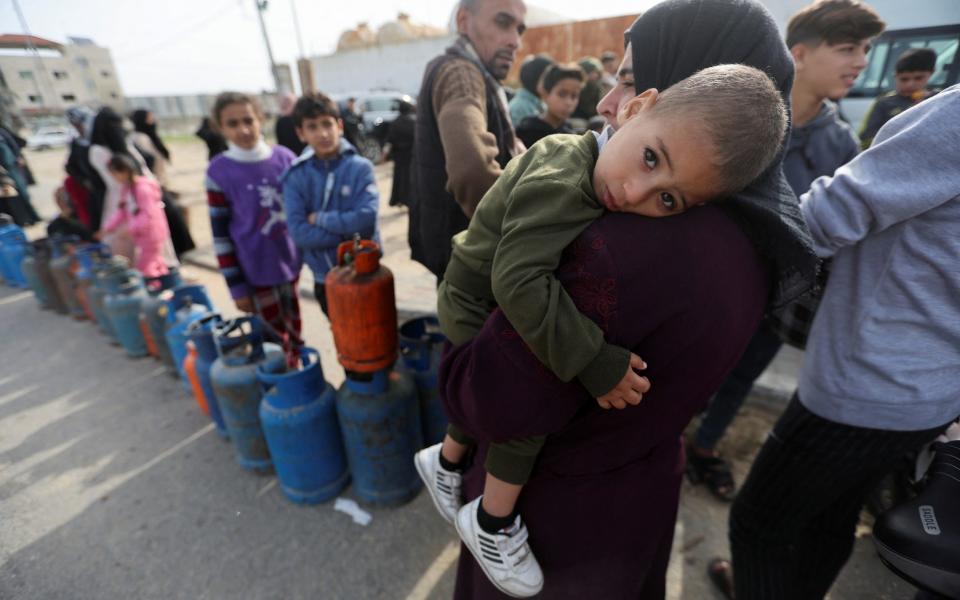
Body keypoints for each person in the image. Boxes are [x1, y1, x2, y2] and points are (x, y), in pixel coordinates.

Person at [437, 1, 817, 596]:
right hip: (638, 502)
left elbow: (494, 399)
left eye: (632, 80)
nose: (606, 104)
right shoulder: (748, 226)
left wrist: (457, 363)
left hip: (556, 528)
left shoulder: (617, 247)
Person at [712, 85, 960, 600]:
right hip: (930, 390)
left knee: (758, 525)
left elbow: (837, 208)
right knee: (832, 517)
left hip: (865, 385)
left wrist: (724, 262)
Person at [687, 0, 884, 502]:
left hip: (780, 297)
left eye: (865, 49)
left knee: (741, 377)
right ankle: (665, 443)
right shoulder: (739, 118)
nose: (860, 61)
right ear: (799, 53)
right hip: (710, 288)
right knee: (687, 372)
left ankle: (704, 449)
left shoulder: (843, 144)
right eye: (846, 49)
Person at [411, 0, 526, 280]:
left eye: (520, 29)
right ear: (464, 21)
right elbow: (472, 169)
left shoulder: (456, 69)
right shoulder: (461, 73)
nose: (515, 41)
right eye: (502, 22)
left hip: (459, 259)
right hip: (473, 268)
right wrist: (525, 239)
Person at [205, 92, 303, 368]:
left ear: (261, 119)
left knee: (295, 329)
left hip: (290, 266)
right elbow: (220, 236)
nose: (243, 130)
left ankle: (298, 371)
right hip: (254, 273)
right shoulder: (218, 171)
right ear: (221, 128)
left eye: (249, 120)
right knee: (272, 342)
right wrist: (236, 287)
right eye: (232, 124)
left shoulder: (285, 159)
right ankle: (284, 381)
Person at [281, 92, 379, 318]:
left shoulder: (360, 168)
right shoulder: (295, 176)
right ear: (301, 133)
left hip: (366, 271)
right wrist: (347, 237)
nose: (323, 133)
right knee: (345, 341)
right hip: (325, 279)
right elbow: (299, 233)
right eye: (312, 127)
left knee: (379, 338)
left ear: (340, 126)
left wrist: (320, 219)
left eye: (327, 124)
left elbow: (366, 220)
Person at [88, 107, 154, 260]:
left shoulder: (124, 144)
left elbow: (141, 166)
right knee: (124, 248)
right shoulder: (98, 151)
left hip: (143, 196)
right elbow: (117, 182)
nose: (117, 130)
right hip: (121, 202)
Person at [130, 108, 196, 259]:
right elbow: (147, 165)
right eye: (150, 118)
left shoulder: (148, 137)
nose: (153, 121)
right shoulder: (139, 139)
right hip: (153, 188)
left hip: (161, 185)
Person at [98, 154, 171, 278]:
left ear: (125, 171)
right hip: (142, 235)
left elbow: (149, 214)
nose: (114, 177)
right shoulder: (127, 189)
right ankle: (166, 282)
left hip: (152, 233)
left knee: (145, 268)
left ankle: (155, 287)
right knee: (156, 262)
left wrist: (131, 229)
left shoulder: (143, 189)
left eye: (115, 173)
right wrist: (108, 228)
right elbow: (122, 211)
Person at [859, 47, 938, 149]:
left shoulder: (938, 99)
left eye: (918, 78)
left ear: (931, 74)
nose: (910, 84)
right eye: (904, 79)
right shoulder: (884, 103)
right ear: (895, 76)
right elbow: (865, 139)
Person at [514, 63, 583, 148]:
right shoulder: (527, 132)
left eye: (574, 96)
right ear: (545, 93)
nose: (569, 102)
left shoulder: (570, 134)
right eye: (562, 94)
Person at [64, 106, 98, 229]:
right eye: (75, 125)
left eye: (80, 124)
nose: (78, 128)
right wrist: (84, 180)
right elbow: (70, 167)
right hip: (91, 189)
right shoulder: (77, 142)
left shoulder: (100, 139)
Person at [380, 100, 416, 208]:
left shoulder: (395, 123)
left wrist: (384, 156)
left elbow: (390, 141)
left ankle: (399, 200)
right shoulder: (414, 122)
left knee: (399, 178)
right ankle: (409, 201)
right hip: (411, 156)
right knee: (410, 179)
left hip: (399, 157)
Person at [130, 109, 172, 188]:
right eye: (149, 118)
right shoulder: (140, 137)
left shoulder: (150, 135)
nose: (153, 120)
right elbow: (148, 159)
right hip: (152, 179)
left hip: (159, 177)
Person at [508, 54, 554, 126]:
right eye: (549, 78)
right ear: (536, 78)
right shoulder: (519, 108)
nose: (552, 83)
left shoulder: (541, 104)